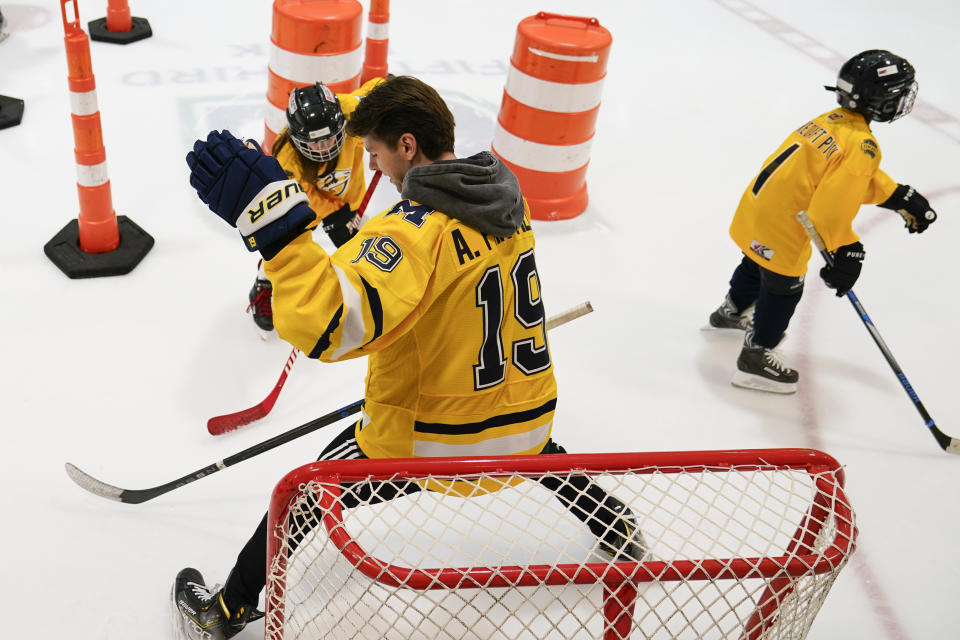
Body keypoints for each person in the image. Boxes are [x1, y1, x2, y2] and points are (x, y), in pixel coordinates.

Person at [174, 75, 647, 640]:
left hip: (434, 440)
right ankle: (611, 518)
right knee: (534, 447)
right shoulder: (505, 195)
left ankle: (227, 609)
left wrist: (278, 236)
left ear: (407, 146)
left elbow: (330, 327)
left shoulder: (409, 232)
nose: (371, 168)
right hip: (527, 417)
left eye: (375, 153)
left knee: (301, 492)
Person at [707, 49, 938, 394]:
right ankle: (755, 358)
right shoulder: (862, 143)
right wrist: (847, 249)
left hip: (757, 210)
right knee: (783, 288)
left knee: (757, 262)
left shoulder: (832, 121)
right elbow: (831, 209)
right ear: (884, 101)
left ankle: (731, 310)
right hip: (783, 226)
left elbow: (846, 176)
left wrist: (898, 195)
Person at [247, 78, 382, 336]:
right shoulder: (285, 158)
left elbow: (378, 90)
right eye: (314, 144)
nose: (324, 148)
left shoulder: (352, 110)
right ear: (297, 139)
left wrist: (395, 98)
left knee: (358, 250)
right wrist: (334, 215)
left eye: (329, 140)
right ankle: (264, 281)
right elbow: (302, 200)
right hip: (314, 205)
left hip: (351, 200)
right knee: (282, 244)